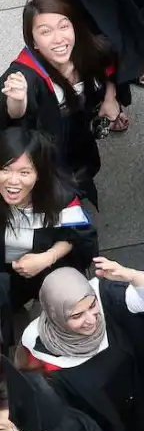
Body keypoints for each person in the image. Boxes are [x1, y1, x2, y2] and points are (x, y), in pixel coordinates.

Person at [16, 259, 144, 431]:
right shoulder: (40, 355)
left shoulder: (103, 299)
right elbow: (63, 420)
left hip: (135, 402)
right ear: (55, 315)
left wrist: (131, 274)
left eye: (91, 307)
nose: (91, 320)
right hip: (100, 424)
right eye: (76, 316)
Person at [1, 0, 124, 205]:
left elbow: (110, 68)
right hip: (50, 138)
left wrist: (110, 98)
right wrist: (17, 100)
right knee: (55, 182)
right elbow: (14, 117)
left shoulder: (88, 49)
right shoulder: (24, 76)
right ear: (33, 42)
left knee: (84, 164)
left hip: (81, 126)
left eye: (64, 26)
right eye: (45, 32)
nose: (59, 39)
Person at [0, 128, 98, 348]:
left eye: (25, 172)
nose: (13, 181)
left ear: (40, 173)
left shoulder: (60, 198)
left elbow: (80, 237)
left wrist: (47, 257)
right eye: (5, 169)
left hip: (45, 268)